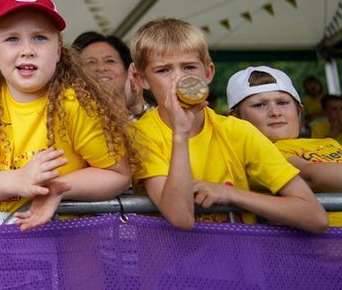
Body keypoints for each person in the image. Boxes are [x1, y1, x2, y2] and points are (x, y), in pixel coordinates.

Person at [0, 0, 133, 230]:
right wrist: (16, 180)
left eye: (40, 38)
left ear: (58, 51)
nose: (27, 50)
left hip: (67, 245)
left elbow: (118, 174)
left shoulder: (75, 102)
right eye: (12, 39)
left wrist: (58, 189)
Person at [129, 19, 326, 232]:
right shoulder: (140, 135)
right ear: (142, 80)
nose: (179, 79)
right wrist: (180, 135)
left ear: (208, 73)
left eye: (188, 67)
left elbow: (315, 217)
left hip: (239, 262)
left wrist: (232, 195)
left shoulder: (237, 130)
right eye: (163, 71)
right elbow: (181, 218)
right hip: (173, 263)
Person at [227, 66, 342, 226]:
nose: (275, 112)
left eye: (282, 103)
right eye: (260, 105)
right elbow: (313, 176)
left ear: (298, 111)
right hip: (326, 243)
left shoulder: (328, 142)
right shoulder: (258, 155)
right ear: (235, 119)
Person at [72, 31, 147, 120]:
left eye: (110, 61)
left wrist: (137, 109)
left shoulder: (160, 113)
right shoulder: (73, 123)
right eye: (90, 62)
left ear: (128, 70)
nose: (101, 68)